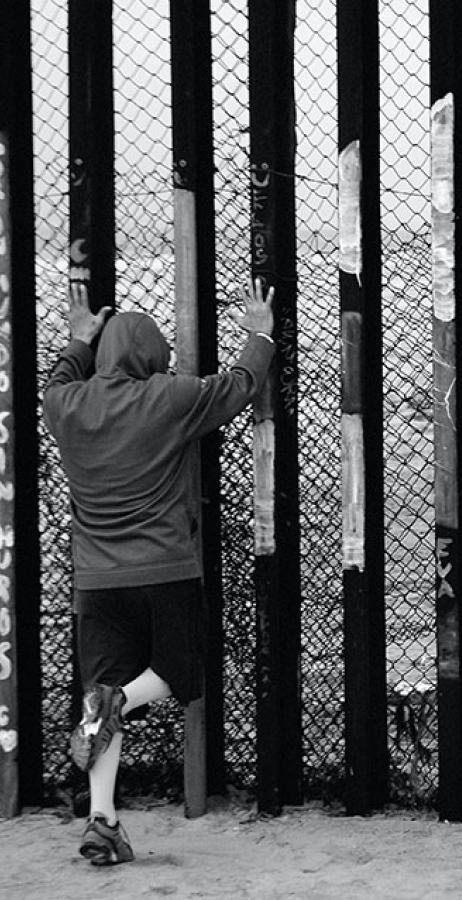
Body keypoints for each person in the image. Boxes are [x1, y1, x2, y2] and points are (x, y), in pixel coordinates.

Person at [43, 277, 275, 866]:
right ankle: (121, 700)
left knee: (98, 699)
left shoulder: (65, 407)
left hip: (96, 580)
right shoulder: (166, 398)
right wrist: (259, 334)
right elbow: (240, 386)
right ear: (151, 358)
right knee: (176, 668)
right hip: (164, 566)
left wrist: (79, 341)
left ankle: (103, 821)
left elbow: (60, 379)